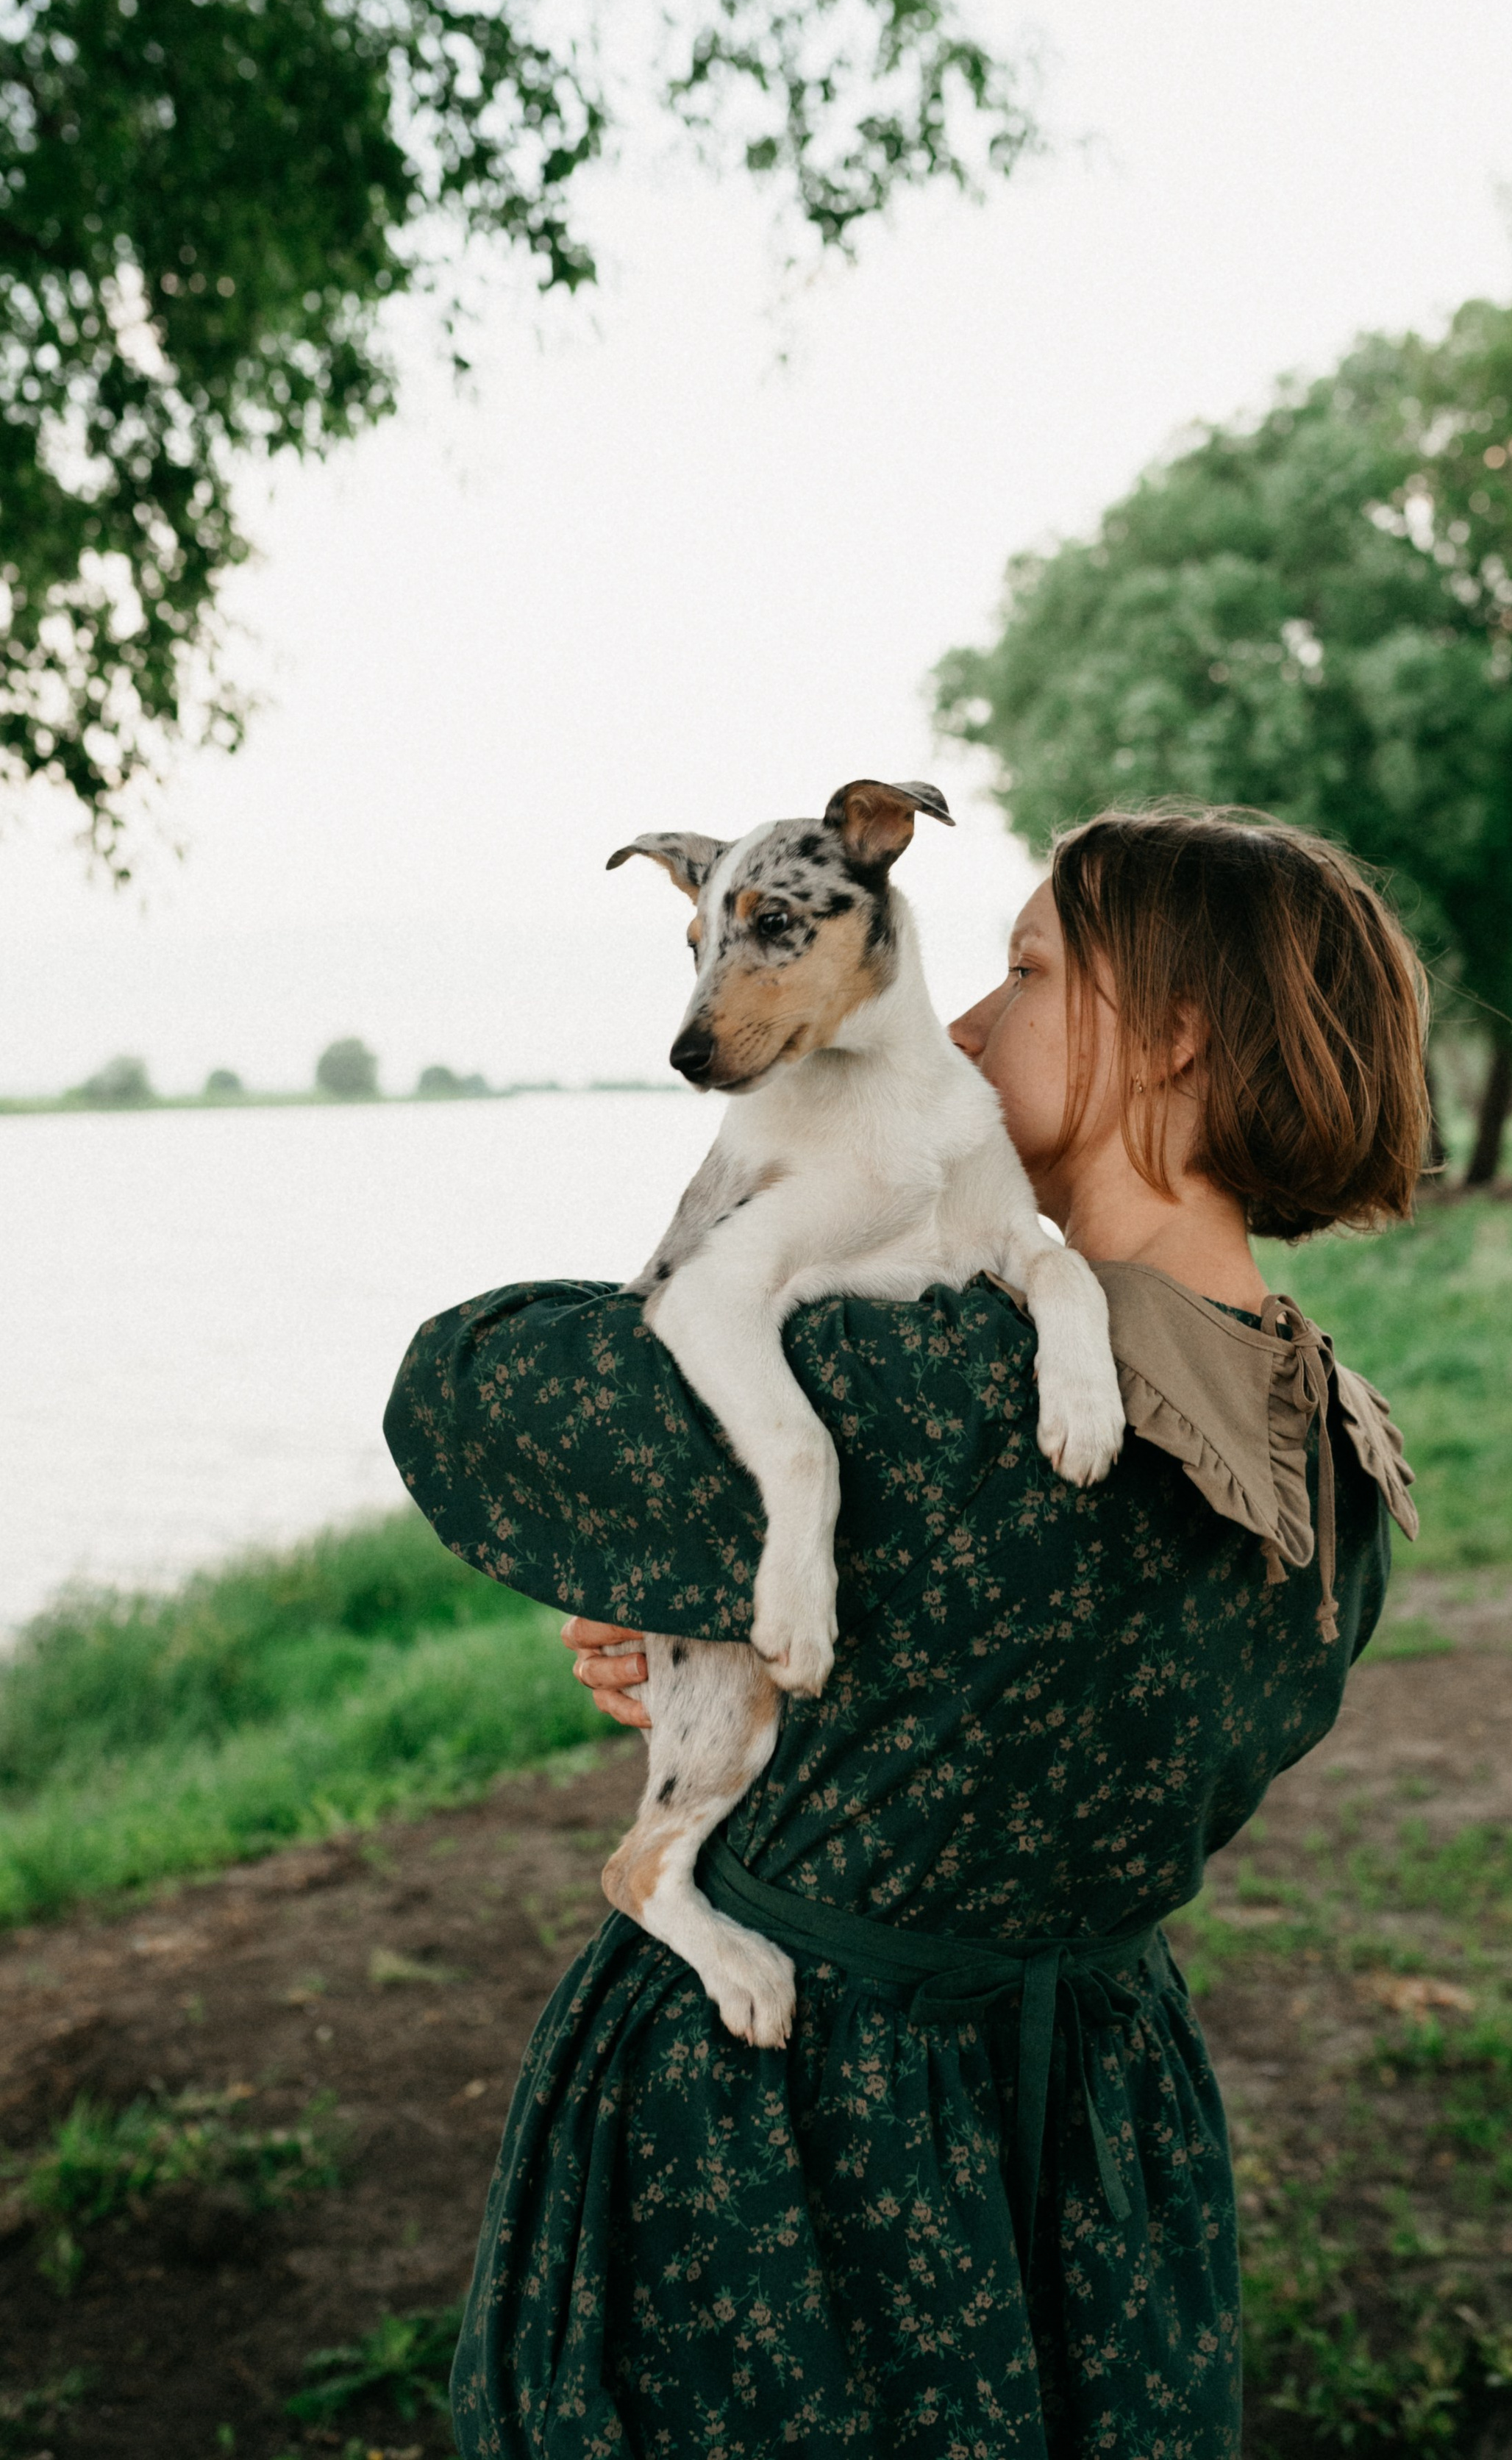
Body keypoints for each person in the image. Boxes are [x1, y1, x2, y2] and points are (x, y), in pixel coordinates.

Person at [383, 807, 1428, 2460]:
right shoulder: (1337, 1453)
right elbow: (1031, 1734)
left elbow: (466, 1387)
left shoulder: (927, 1401)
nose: (957, 1021)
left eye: (1024, 973)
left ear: (1174, 1037)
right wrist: (767, 1686)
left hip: (787, 2146)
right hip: (1103, 2133)